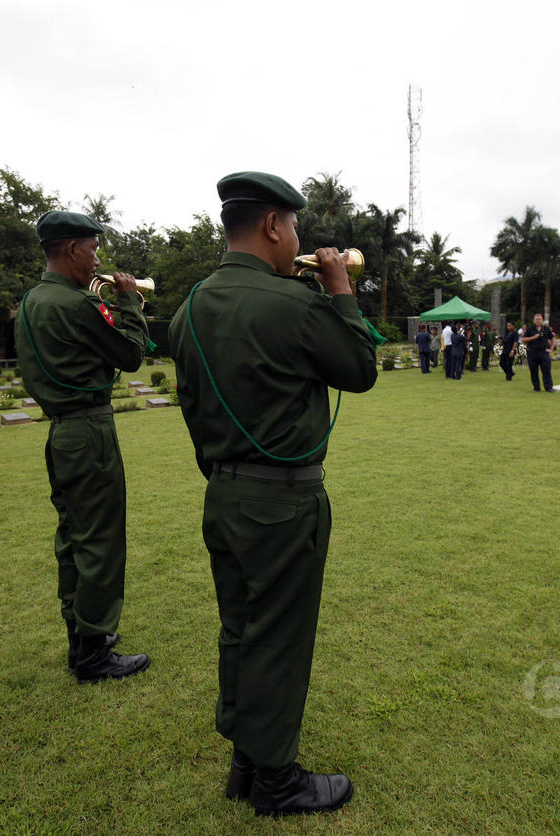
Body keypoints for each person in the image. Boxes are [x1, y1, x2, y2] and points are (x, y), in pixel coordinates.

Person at [169, 171, 376, 817]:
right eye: (295, 229)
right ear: (271, 225)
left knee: (240, 629)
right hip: (282, 503)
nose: (300, 245)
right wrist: (340, 290)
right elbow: (360, 369)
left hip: (223, 497)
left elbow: (190, 403)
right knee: (279, 637)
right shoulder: (293, 303)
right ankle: (277, 780)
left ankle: (246, 758)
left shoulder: (189, 306)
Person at [14, 210, 152, 685]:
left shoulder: (33, 299)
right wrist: (131, 301)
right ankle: (94, 654)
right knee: (100, 541)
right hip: (89, 429)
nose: (97, 260)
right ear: (72, 249)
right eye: (93, 249)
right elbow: (131, 355)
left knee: (73, 538)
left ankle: (81, 638)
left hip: (60, 431)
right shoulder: (75, 304)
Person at [521, 313, 555, 392]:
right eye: (537, 319)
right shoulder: (530, 329)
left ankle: (548, 387)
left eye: (539, 319)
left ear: (542, 320)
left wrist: (551, 349)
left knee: (546, 370)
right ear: (534, 320)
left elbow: (553, 338)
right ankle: (536, 387)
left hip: (543, 352)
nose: (538, 320)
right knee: (533, 371)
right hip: (532, 352)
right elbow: (523, 339)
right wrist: (534, 337)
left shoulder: (546, 329)